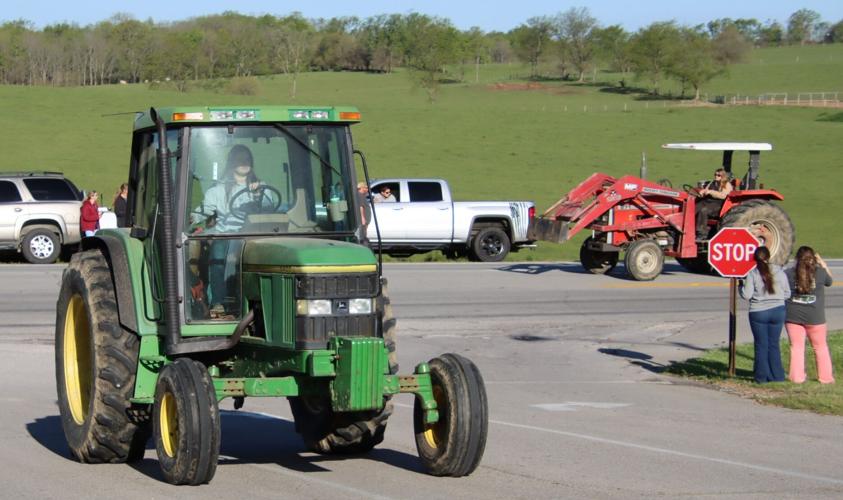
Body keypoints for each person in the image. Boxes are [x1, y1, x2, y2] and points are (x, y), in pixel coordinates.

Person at [739, 246, 791, 384]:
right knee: (774, 344)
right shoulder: (780, 272)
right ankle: (778, 376)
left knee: (761, 344)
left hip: (758, 311)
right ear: (769, 257)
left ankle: (761, 377)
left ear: (754, 259)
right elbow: (787, 293)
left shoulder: (753, 273)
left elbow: (747, 295)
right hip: (778, 310)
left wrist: (740, 286)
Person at [785, 246, 835, 384]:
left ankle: (796, 377)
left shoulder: (788, 273)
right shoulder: (820, 273)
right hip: (815, 317)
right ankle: (825, 378)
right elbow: (830, 281)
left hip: (793, 316)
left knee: (796, 347)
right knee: (820, 347)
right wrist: (822, 263)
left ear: (796, 259)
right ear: (813, 259)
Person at [695, 168, 733, 239]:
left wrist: (711, 192)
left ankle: (702, 233)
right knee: (693, 208)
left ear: (723, 176)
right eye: (715, 175)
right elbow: (706, 190)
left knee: (704, 210)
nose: (716, 176)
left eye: (718, 175)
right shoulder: (712, 182)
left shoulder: (726, 185)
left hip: (719, 204)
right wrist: (702, 193)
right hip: (708, 201)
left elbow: (723, 195)